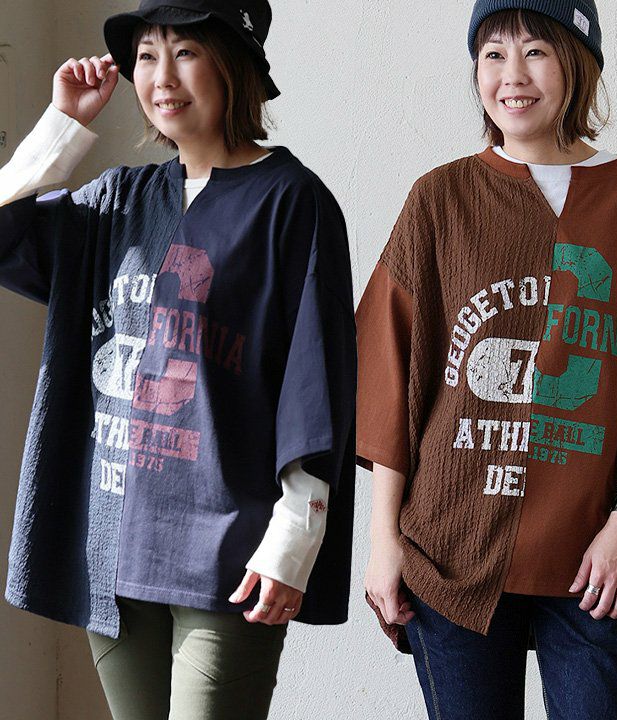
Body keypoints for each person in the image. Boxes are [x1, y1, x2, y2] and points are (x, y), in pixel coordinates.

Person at [0, 1, 356, 718]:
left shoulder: (292, 201)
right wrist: (65, 123)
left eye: (185, 52)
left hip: (229, 548)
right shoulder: (117, 201)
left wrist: (294, 537)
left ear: (234, 65)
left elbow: (315, 382)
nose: (162, 77)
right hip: (113, 543)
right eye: (146, 55)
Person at [356, 2, 617, 719]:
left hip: (595, 555)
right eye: (493, 54)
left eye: (537, 52)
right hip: (451, 546)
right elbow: (392, 374)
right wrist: (382, 540)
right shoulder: (440, 199)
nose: (512, 75)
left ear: (578, 65)